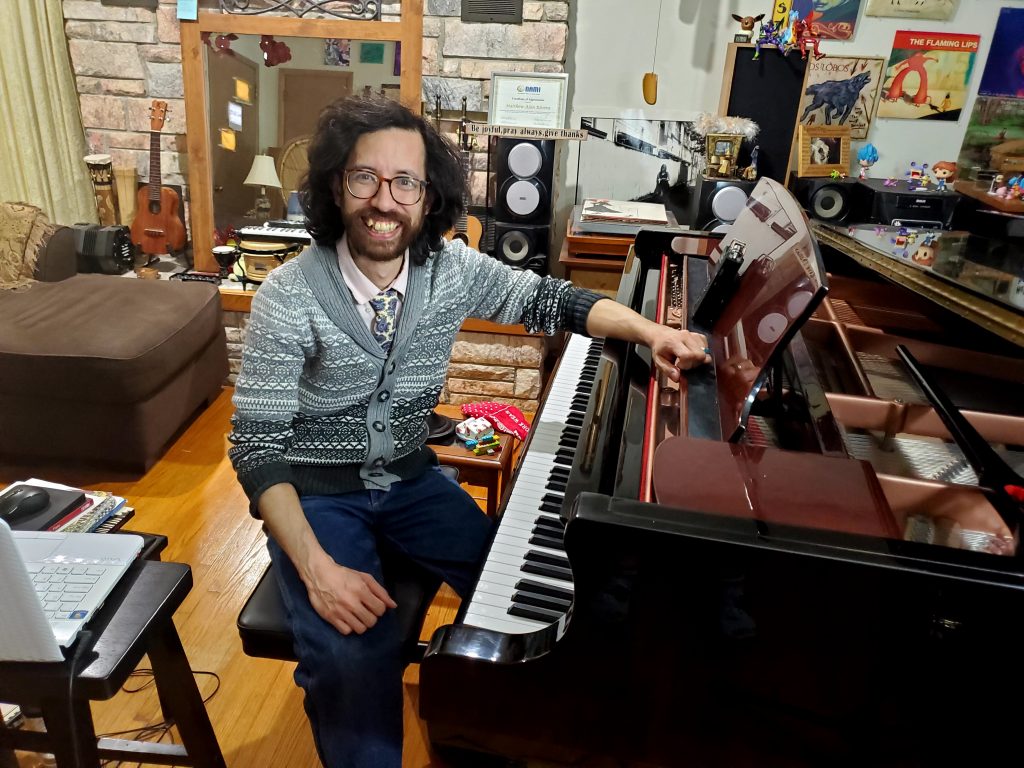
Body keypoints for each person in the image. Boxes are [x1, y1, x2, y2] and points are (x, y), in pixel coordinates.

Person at [227, 95, 711, 768]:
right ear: (337, 185)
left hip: (409, 478)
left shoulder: (449, 270)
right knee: (350, 653)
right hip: (317, 494)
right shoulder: (288, 296)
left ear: (430, 198)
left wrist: (651, 330)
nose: (384, 201)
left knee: (527, 586)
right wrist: (318, 571)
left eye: (406, 183)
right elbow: (255, 453)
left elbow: (554, 299)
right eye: (364, 178)